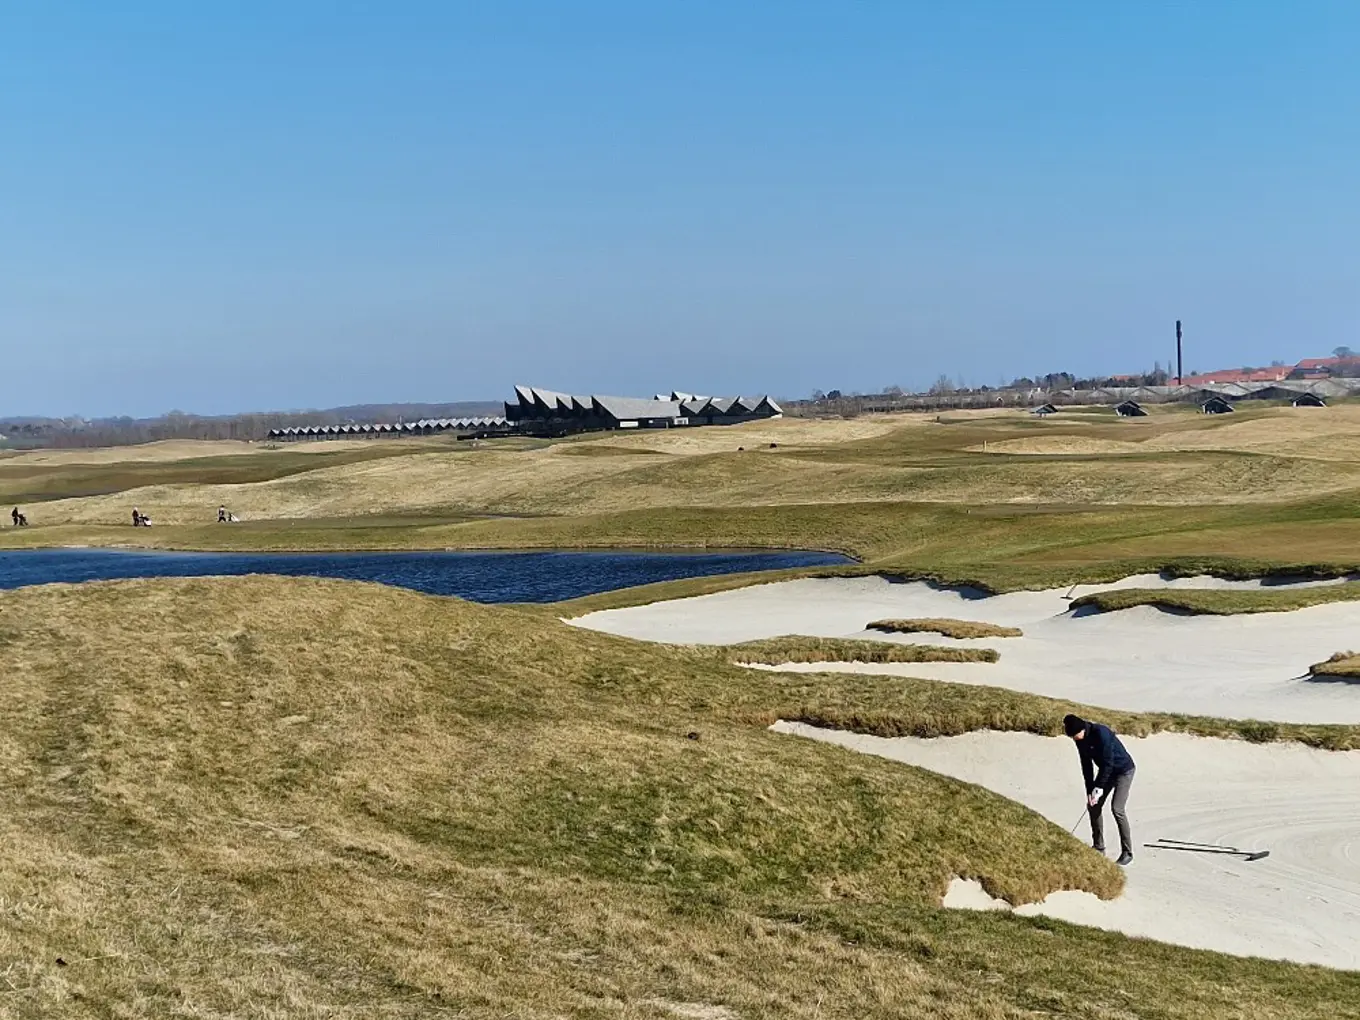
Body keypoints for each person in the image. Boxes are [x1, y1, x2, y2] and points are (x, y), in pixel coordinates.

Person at [1063, 714, 1136, 865]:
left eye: (1075, 735)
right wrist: (1090, 791)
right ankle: (1099, 847)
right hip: (1106, 772)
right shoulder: (1080, 740)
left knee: (1117, 809)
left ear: (1082, 729)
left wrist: (1099, 788)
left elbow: (1108, 763)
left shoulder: (1101, 733)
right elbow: (1086, 766)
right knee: (1093, 806)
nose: (1075, 739)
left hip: (1123, 770)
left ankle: (1127, 852)